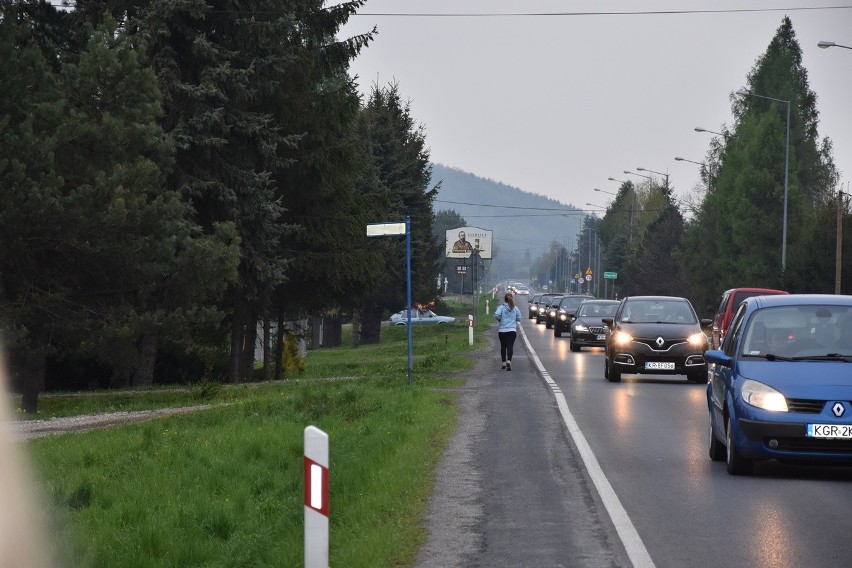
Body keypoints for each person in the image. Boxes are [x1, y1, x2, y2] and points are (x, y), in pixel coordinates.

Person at [494, 292, 522, 371]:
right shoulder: (515, 308)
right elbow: (519, 318)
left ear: (504, 299)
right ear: (512, 298)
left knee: (503, 346)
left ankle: (503, 362)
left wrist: (501, 320)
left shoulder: (501, 307)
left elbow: (496, 315)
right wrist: (514, 323)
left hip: (502, 330)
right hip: (512, 330)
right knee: (510, 346)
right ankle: (509, 360)